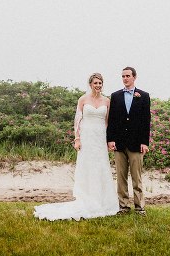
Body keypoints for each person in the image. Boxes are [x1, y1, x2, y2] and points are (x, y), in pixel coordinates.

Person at [34, 73, 119, 221]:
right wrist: (77, 138)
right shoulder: (83, 99)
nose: (98, 85)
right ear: (90, 84)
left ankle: (102, 200)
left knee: (100, 167)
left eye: (100, 83)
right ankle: (87, 198)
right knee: (87, 167)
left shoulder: (107, 101)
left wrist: (108, 140)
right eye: (95, 83)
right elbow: (77, 120)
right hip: (86, 137)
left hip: (99, 138)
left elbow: (108, 122)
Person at [107, 66, 151, 216]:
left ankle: (140, 207)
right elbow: (111, 119)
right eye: (123, 76)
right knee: (121, 177)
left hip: (136, 143)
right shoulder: (115, 96)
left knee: (137, 178)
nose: (125, 78)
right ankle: (124, 207)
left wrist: (145, 142)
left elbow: (146, 121)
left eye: (127, 76)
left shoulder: (143, 96)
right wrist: (110, 139)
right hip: (119, 143)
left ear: (134, 77)